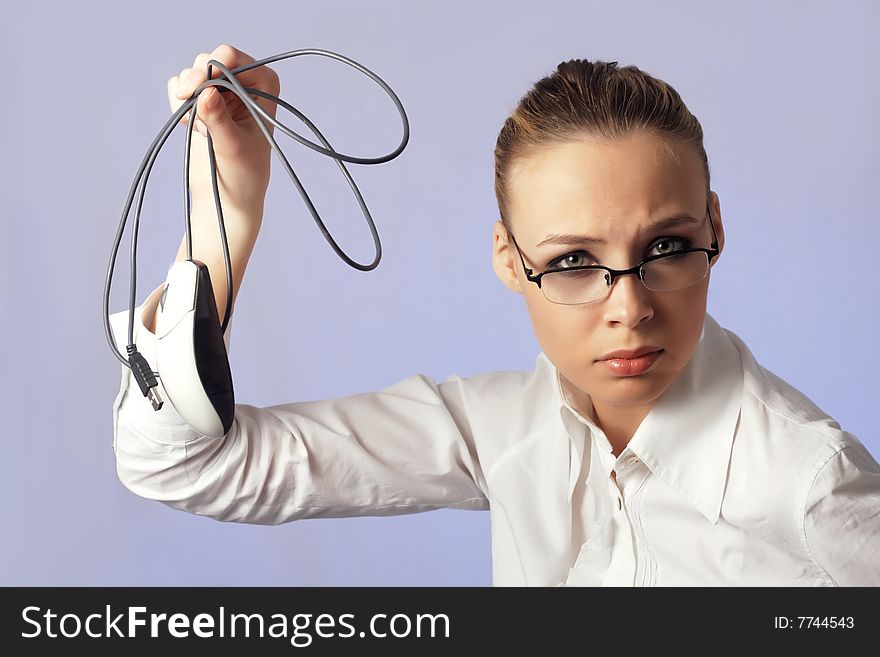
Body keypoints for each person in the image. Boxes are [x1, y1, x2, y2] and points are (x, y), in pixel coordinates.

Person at [109, 44, 880, 587]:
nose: (631, 307)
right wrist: (227, 209)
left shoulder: (812, 484)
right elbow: (183, 464)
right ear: (510, 260)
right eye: (575, 261)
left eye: (668, 245)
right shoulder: (502, 431)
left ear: (714, 227)